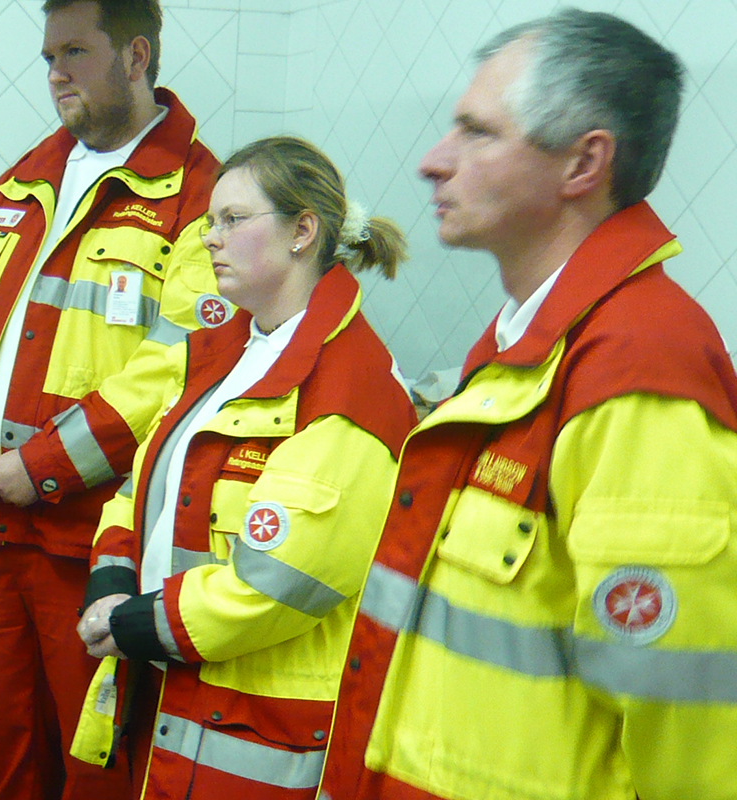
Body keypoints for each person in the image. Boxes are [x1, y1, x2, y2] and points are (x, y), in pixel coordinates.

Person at [318, 11, 737, 800]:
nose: (434, 161)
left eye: (477, 133)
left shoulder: (636, 366)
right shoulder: (527, 348)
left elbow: (686, 716)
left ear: (583, 162)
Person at [0, 1, 220, 796]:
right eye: (48, 56)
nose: (54, 73)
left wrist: (43, 465)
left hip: (90, 546)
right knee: (2, 761)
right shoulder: (13, 188)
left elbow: (178, 364)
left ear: (136, 56)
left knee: (95, 770)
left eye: (74, 52)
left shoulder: (199, 196)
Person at [68, 136, 412, 798]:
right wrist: (111, 580)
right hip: (161, 704)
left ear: (302, 232)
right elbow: (141, 488)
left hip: (247, 737)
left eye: (233, 219)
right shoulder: (218, 357)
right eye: (209, 221)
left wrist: (134, 622)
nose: (210, 239)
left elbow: (280, 583)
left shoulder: (351, 391)